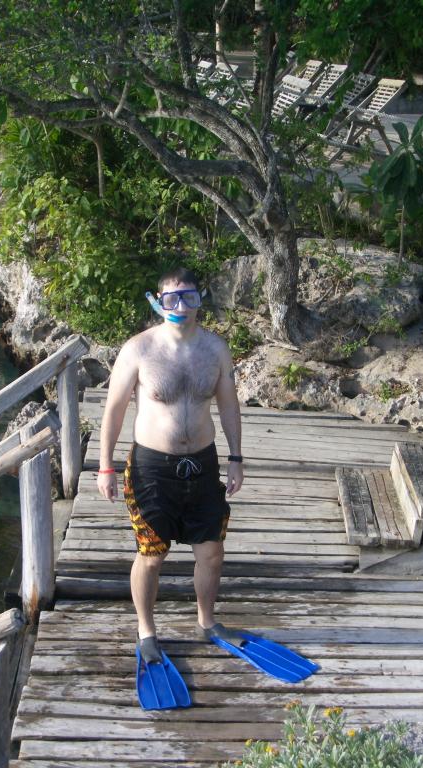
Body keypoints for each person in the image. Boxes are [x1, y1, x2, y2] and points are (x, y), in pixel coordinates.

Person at [96, 266, 243, 662]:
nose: (180, 307)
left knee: (211, 552)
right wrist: (105, 466)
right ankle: (146, 631)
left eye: (188, 298)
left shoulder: (215, 349)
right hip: (151, 470)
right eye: (171, 299)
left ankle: (207, 621)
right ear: (158, 302)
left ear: (200, 301)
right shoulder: (139, 350)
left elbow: (229, 406)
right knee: (152, 555)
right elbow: (113, 410)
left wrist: (236, 457)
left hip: (203, 465)